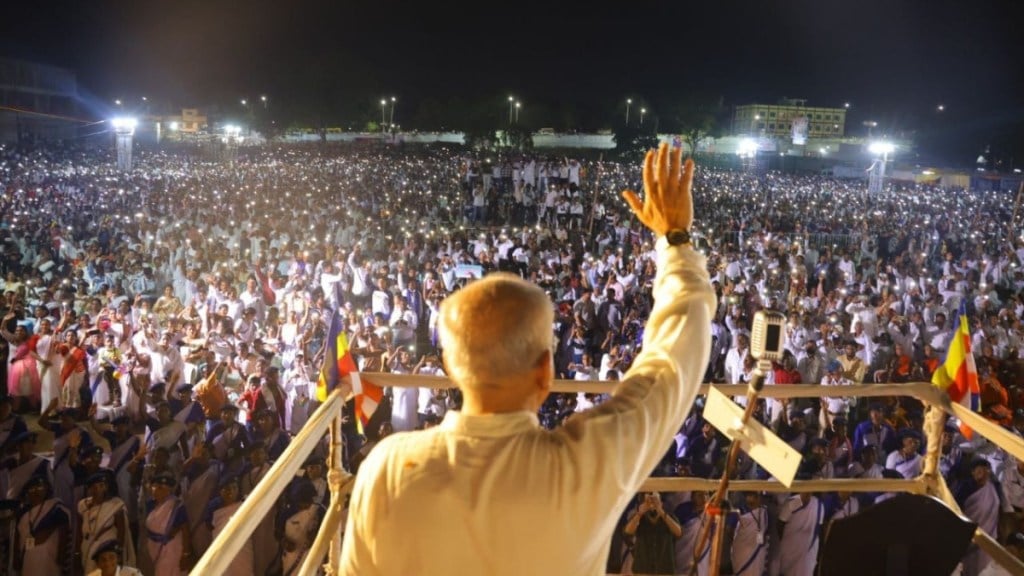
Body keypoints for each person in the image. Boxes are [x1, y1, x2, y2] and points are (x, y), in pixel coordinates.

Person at [341, 144, 715, 574]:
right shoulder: (584, 468)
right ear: (545, 371)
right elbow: (674, 362)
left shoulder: (385, 469)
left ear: (450, 366)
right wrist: (675, 240)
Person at [16, 474, 69, 575]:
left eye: (40, 487)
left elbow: (64, 531)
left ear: (47, 489)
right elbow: (18, 537)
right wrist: (16, 557)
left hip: (49, 561)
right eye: (32, 488)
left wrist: (61, 555)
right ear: (27, 493)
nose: (36, 491)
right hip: (27, 560)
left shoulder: (56, 509)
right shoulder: (23, 514)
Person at [623, 492, 682, 575]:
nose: (652, 503)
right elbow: (628, 532)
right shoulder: (639, 517)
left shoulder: (669, 517)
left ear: (661, 502)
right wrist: (639, 513)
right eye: (649, 500)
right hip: (642, 569)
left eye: (655, 500)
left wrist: (661, 511)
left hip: (664, 570)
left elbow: (679, 533)